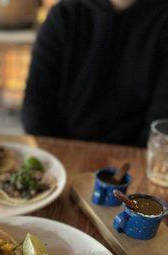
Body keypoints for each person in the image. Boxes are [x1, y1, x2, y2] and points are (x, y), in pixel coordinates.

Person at [22, 0, 168, 147]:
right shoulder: (64, 14)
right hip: (61, 155)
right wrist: (58, 156)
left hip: (135, 159)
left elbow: (161, 123)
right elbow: (37, 104)